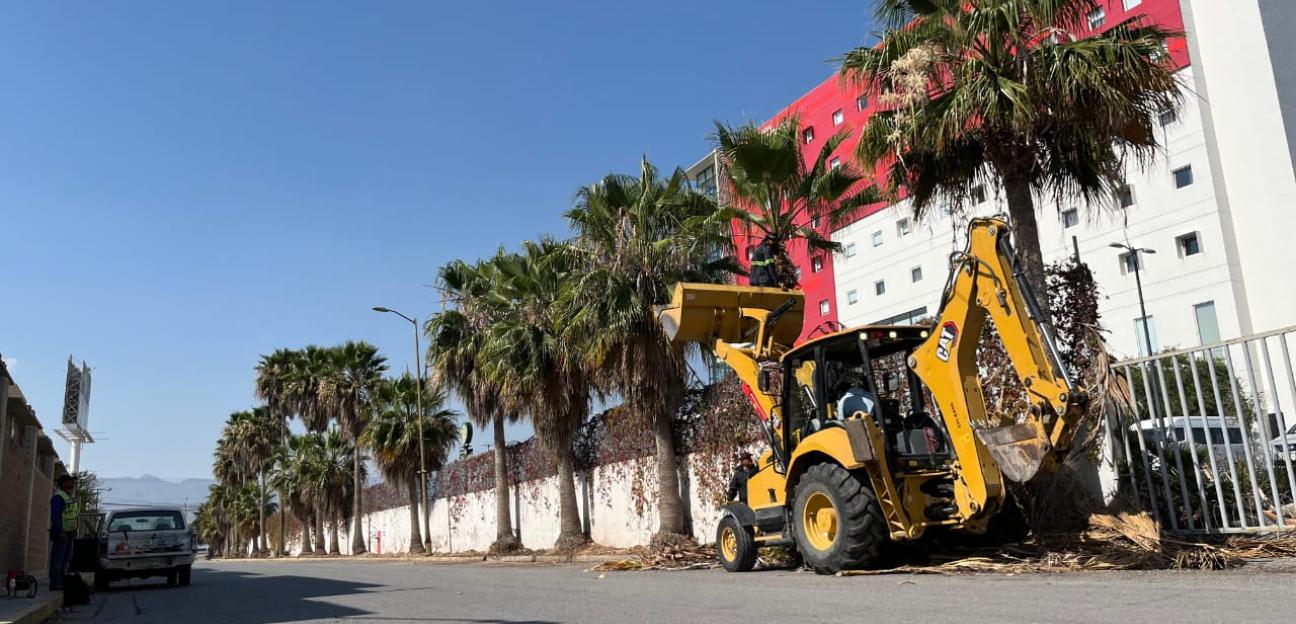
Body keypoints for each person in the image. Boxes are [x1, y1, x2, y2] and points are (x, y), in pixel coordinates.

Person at [49, 473, 79, 590]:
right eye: (70, 481)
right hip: (62, 533)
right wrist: (59, 530)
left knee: (65, 558)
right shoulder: (58, 497)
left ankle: (61, 581)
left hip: (70, 532)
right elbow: (55, 516)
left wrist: (75, 530)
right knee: (58, 558)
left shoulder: (70, 497)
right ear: (63, 483)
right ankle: (55, 582)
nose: (73, 483)